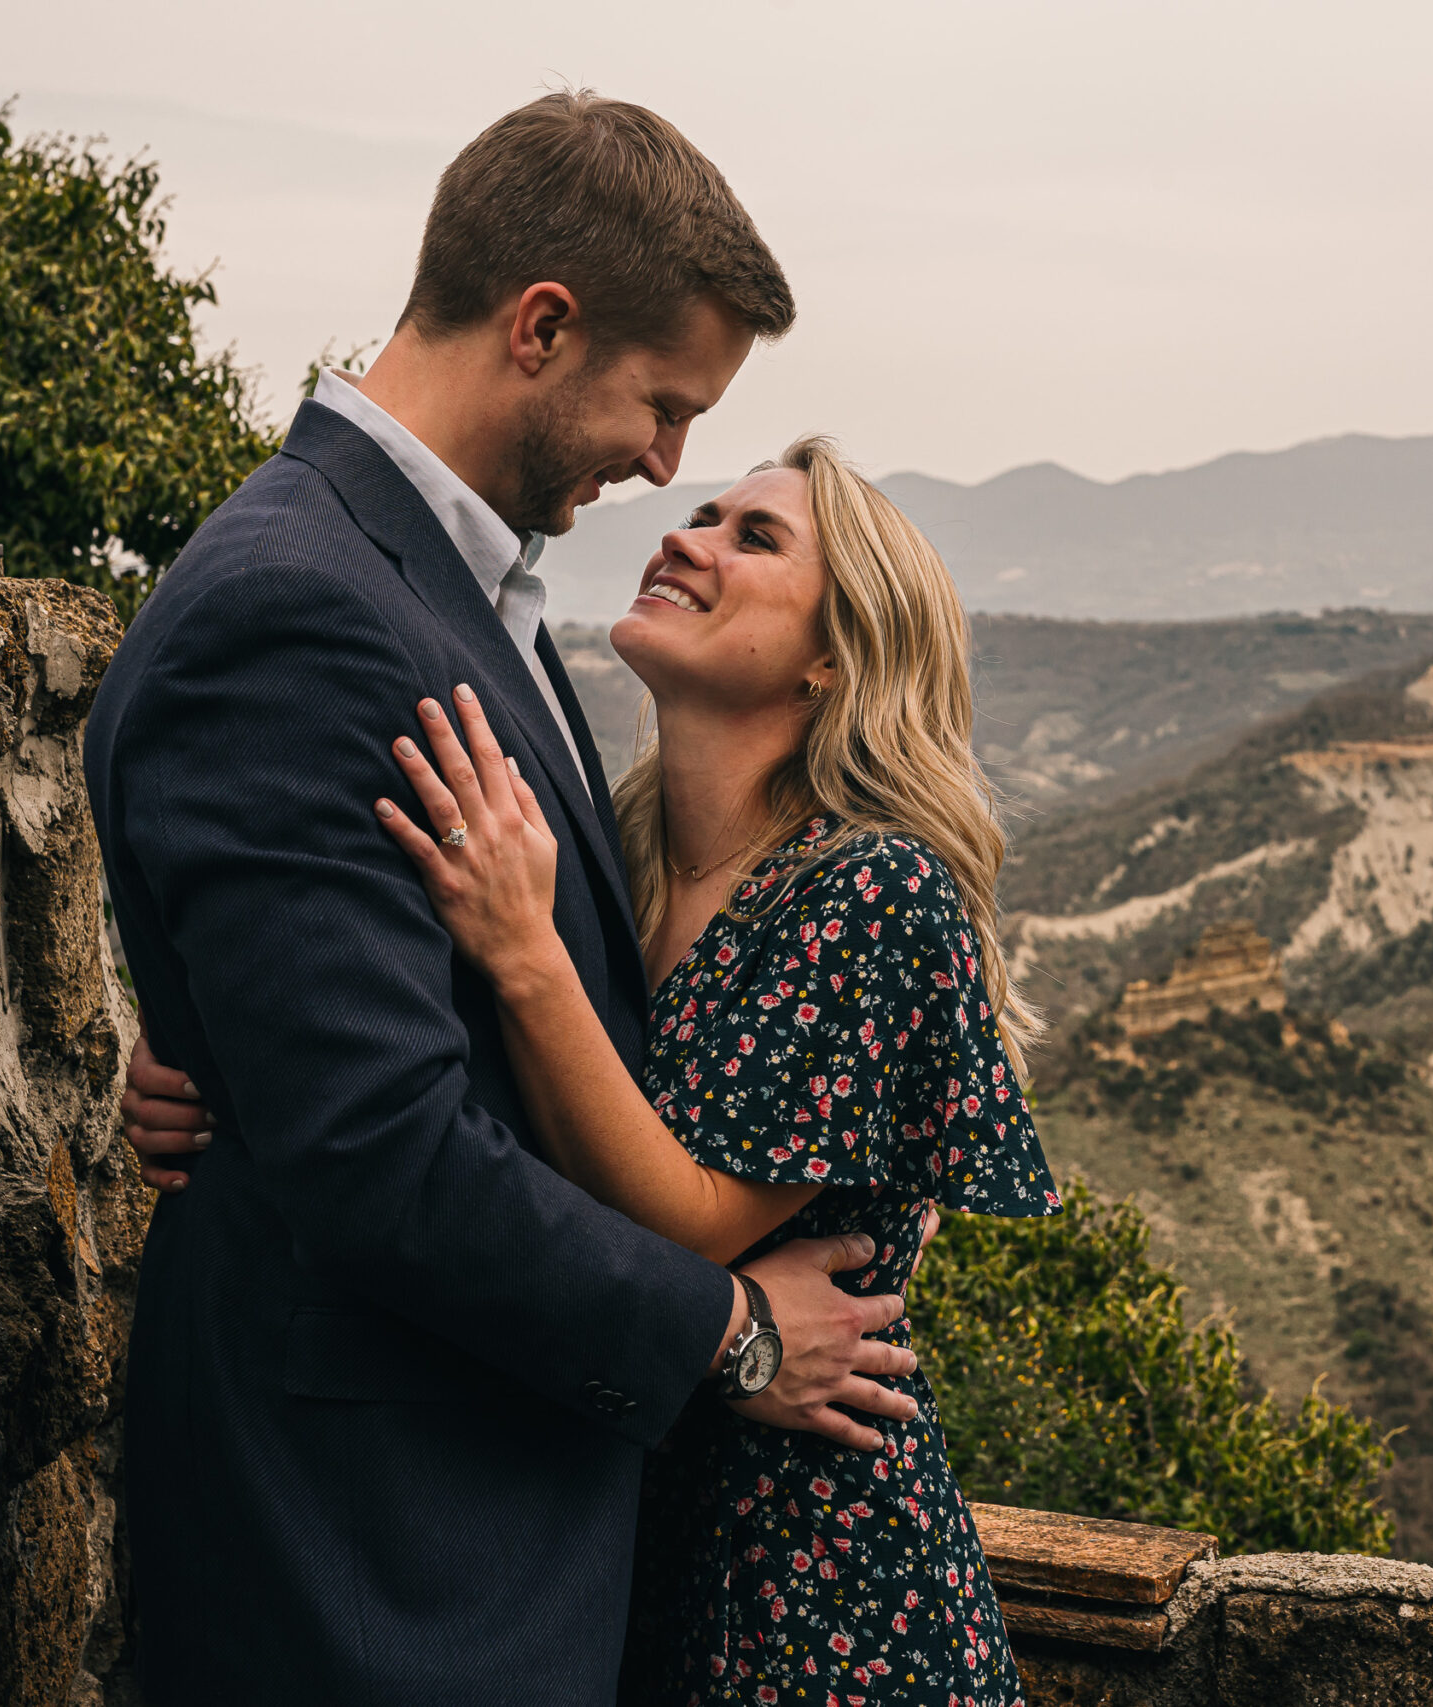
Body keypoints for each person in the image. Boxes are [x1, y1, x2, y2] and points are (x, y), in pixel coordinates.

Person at [89, 94, 919, 1706]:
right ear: (543, 323)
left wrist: (227, 1064)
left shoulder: (449, 586)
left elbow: (355, 1026)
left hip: (482, 1544)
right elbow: (381, 1152)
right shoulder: (301, 605)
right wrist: (730, 1332)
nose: (668, 465)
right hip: (381, 1574)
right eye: (662, 404)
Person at [128, 440, 1060, 1705]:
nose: (690, 534)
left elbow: (691, 1219)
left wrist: (523, 951)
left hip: (817, 1591)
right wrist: (232, 1063)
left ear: (835, 656)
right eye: (708, 513)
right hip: (600, 1545)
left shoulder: (870, 891)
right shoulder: (613, 861)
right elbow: (429, 1065)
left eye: (756, 538)